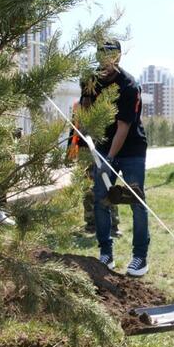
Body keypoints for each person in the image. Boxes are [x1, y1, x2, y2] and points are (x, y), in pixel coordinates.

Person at [91, 40, 150, 276]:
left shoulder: (129, 86)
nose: (106, 60)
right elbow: (86, 109)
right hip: (103, 146)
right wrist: (91, 143)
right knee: (100, 199)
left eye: (111, 55)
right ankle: (106, 253)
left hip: (131, 149)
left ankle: (140, 257)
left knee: (136, 200)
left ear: (119, 57)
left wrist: (110, 158)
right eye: (102, 55)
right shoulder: (91, 81)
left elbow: (123, 127)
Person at [67, 82, 121, 237]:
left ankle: (113, 224)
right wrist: (69, 153)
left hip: (103, 152)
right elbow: (73, 130)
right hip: (84, 152)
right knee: (88, 189)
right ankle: (91, 223)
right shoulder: (78, 106)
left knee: (107, 186)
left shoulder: (103, 105)